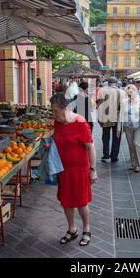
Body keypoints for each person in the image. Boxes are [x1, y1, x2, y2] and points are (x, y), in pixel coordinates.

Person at [50, 93, 97, 247]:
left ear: (64, 108)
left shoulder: (80, 123)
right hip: (63, 170)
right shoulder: (57, 123)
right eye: (53, 111)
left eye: (55, 111)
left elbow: (91, 147)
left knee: (81, 202)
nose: (53, 114)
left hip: (79, 169)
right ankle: (72, 229)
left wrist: (93, 169)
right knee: (66, 201)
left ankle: (87, 229)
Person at [117, 84, 140, 173]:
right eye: (128, 93)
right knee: (131, 145)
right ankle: (133, 163)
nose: (130, 94)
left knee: (136, 144)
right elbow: (121, 115)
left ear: (135, 92)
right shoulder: (124, 102)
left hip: (138, 126)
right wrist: (119, 129)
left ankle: (138, 164)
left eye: (131, 92)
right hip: (128, 126)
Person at [97, 77, 124, 163]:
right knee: (117, 137)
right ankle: (114, 156)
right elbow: (123, 107)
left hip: (106, 117)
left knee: (105, 136)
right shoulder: (122, 92)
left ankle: (106, 155)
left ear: (108, 83)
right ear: (116, 83)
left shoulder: (102, 91)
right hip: (118, 117)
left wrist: (99, 118)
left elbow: (99, 106)